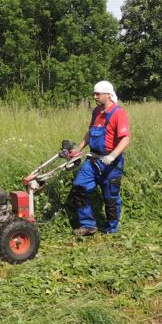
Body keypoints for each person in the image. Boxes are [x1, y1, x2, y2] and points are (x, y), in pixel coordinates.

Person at [69, 81, 130, 235]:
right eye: (94, 94)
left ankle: (111, 228)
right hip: (93, 160)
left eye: (97, 94)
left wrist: (113, 155)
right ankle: (88, 225)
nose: (94, 96)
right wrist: (78, 149)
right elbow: (90, 132)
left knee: (110, 198)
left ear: (108, 95)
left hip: (111, 163)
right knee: (79, 187)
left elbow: (125, 139)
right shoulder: (96, 112)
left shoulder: (118, 113)